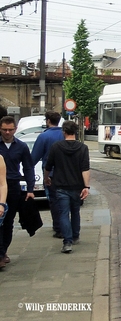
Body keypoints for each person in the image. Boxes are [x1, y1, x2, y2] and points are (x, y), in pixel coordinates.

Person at [44, 120, 90, 254]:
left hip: (61, 186)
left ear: (64, 132)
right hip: (77, 186)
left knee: (63, 213)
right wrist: (86, 186)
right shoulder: (83, 148)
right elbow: (85, 169)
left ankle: (67, 242)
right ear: (75, 132)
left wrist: (47, 178)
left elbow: (48, 165)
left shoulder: (56, 147)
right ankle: (75, 235)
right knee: (75, 211)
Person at [0, 116, 35, 267]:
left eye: (10, 130)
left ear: (15, 129)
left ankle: (3, 251)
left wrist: (30, 189)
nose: (7, 133)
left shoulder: (21, 146)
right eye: (4, 130)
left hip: (13, 186)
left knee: (8, 222)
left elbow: (28, 167)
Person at [30, 111, 64, 238]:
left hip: (50, 174)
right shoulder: (64, 134)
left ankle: (59, 228)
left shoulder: (43, 137)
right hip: (66, 174)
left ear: (48, 121)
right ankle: (67, 226)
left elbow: (34, 157)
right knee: (65, 201)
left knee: (54, 201)